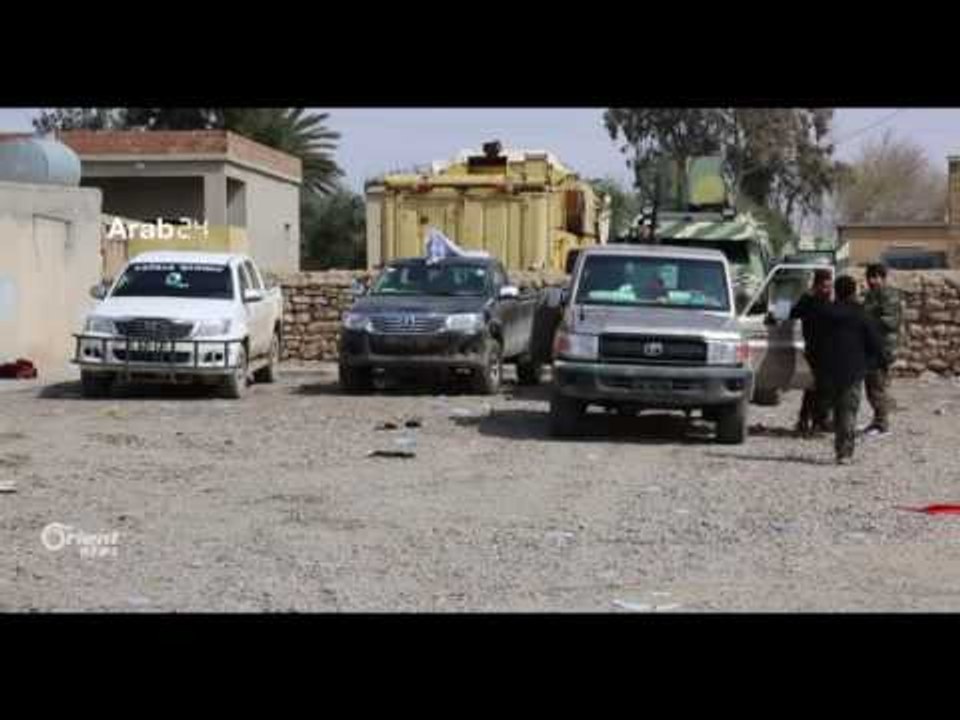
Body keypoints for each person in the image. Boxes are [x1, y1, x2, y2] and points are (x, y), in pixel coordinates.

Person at [816, 275, 883, 465]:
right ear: (853, 292)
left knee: (837, 409)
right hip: (853, 370)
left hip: (829, 369)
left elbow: (815, 339)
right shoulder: (861, 313)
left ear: (836, 291)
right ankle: (844, 453)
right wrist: (879, 361)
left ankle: (839, 446)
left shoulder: (825, 313)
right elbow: (874, 340)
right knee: (848, 411)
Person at [789, 269, 833, 437]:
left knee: (819, 388)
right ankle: (809, 421)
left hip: (827, 351)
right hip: (815, 350)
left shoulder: (826, 301)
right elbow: (792, 313)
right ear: (817, 284)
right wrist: (777, 312)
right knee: (815, 387)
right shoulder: (808, 300)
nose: (827, 289)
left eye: (829, 286)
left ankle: (814, 421)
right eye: (824, 286)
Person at [862, 263, 902, 437]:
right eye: (869, 277)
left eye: (874, 277)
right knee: (871, 385)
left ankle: (882, 424)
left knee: (877, 386)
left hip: (883, 348)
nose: (871, 281)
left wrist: (868, 323)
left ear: (882, 277)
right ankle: (877, 420)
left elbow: (891, 321)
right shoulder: (871, 295)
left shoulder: (888, 295)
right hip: (872, 346)